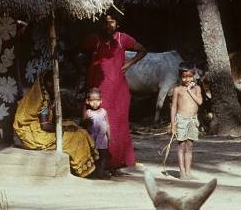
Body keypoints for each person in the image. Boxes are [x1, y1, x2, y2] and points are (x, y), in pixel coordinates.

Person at [81, 11, 147, 175]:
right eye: (105, 22)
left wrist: (129, 63)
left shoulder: (122, 39)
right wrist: (88, 71)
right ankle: (94, 163)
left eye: (111, 22)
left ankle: (115, 163)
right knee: (95, 124)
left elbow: (142, 50)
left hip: (118, 91)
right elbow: (78, 51)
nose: (108, 25)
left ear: (117, 24)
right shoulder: (95, 39)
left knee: (117, 125)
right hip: (98, 90)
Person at [13, 72, 97, 178]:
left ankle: (90, 165)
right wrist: (65, 128)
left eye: (54, 82)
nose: (53, 85)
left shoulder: (37, 95)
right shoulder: (42, 101)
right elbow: (45, 126)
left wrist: (68, 126)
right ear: (43, 83)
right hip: (37, 135)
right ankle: (83, 170)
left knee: (74, 126)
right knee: (76, 136)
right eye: (49, 82)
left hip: (32, 130)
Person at [170, 62, 204, 180]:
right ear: (180, 77)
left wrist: (189, 90)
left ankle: (188, 172)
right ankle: (182, 172)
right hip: (181, 120)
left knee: (189, 146)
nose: (187, 79)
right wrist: (173, 124)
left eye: (190, 76)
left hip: (193, 120)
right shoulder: (178, 90)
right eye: (184, 77)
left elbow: (200, 102)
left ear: (194, 76)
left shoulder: (197, 89)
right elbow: (174, 107)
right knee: (181, 146)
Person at [82, 87, 111, 179]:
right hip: (92, 138)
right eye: (92, 100)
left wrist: (109, 137)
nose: (95, 103)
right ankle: (93, 173)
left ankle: (101, 173)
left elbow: (107, 125)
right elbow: (83, 126)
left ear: (101, 101)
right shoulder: (88, 112)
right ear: (88, 101)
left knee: (103, 156)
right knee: (93, 156)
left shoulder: (104, 112)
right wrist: (86, 122)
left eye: (97, 100)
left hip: (102, 138)